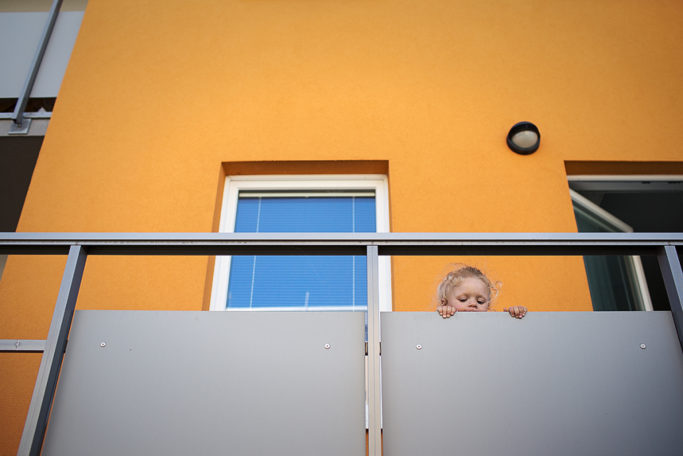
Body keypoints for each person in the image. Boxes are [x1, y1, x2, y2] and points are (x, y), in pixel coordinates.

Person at [436, 265, 527, 319]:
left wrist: (513, 316)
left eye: (480, 301)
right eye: (463, 299)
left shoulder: (492, 325)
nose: (473, 304)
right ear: (445, 303)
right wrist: (442, 314)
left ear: (488, 305)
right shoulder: (442, 321)